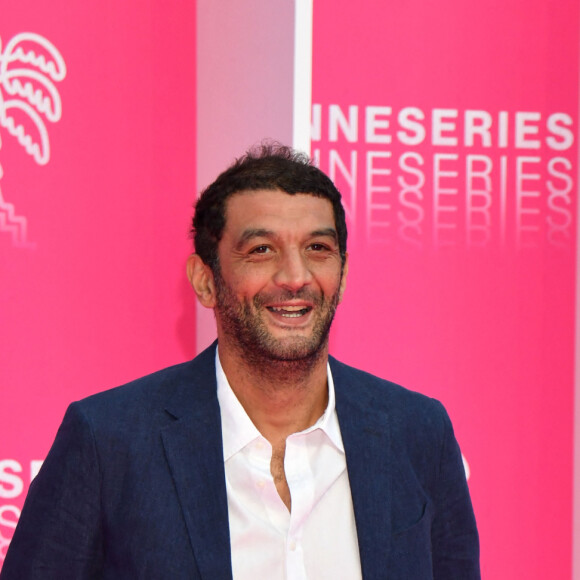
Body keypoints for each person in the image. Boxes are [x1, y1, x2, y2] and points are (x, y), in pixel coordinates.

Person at [1, 143, 480, 579]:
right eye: (261, 250)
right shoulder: (109, 440)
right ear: (206, 281)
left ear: (343, 272)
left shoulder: (418, 432)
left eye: (318, 248)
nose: (295, 277)